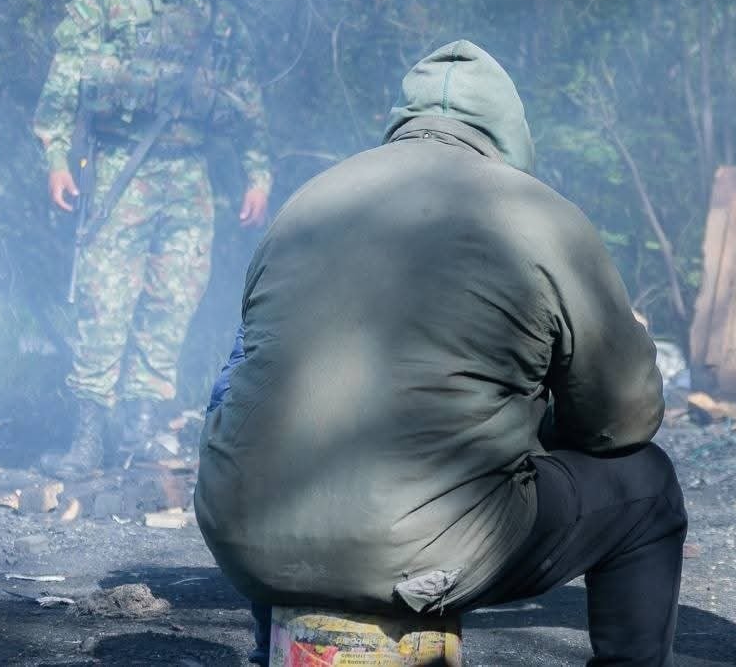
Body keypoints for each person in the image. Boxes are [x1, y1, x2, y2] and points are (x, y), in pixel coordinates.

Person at [195, 41, 685, 667]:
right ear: (509, 134)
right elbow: (625, 419)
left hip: (242, 537)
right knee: (649, 488)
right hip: (417, 550)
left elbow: (249, 377)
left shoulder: (308, 201)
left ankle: (280, 641)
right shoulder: (534, 212)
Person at [33, 0, 271, 478]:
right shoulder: (107, 5)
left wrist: (258, 174)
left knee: (173, 301)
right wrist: (56, 158)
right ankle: (89, 437)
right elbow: (63, 84)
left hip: (188, 175)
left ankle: (140, 433)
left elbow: (246, 105)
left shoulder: (221, 22)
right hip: (121, 169)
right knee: (104, 300)